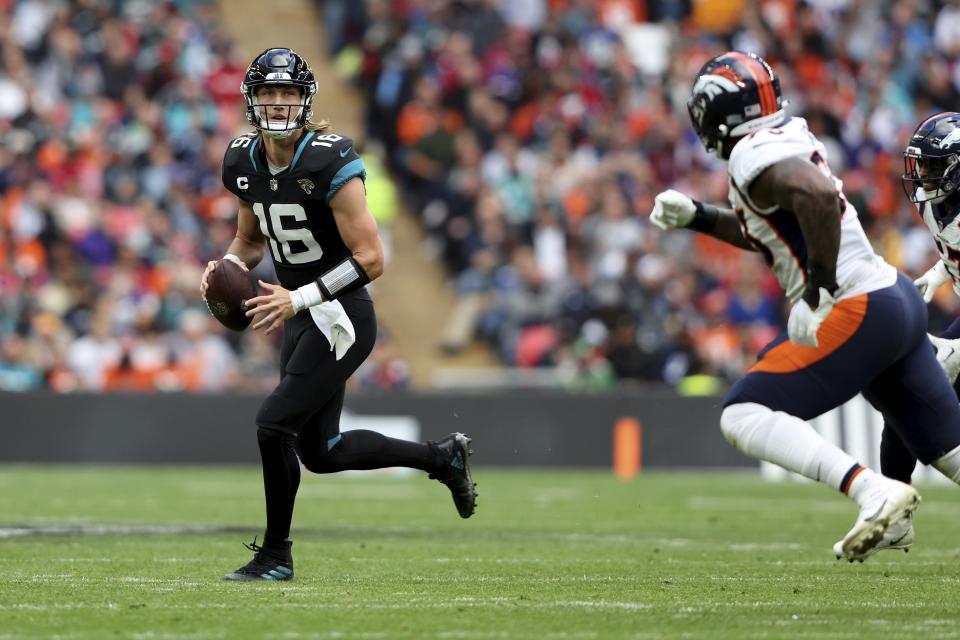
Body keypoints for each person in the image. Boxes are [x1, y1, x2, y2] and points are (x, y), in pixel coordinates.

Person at [651, 51, 960, 561]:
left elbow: (814, 195)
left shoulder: (751, 153)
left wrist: (815, 290)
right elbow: (773, 233)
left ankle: (873, 491)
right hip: (895, 298)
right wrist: (699, 217)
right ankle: (891, 507)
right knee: (951, 454)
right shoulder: (787, 135)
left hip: (860, 308)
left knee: (743, 413)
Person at [200, 48, 478, 581]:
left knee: (271, 423)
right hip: (302, 313)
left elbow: (373, 258)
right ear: (251, 100)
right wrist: (225, 267)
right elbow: (248, 239)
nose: (278, 104)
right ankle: (442, 459)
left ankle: (276, 555)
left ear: (304, 101)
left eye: (287, 94)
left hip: (341, 315)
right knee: (322, 452)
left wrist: (297, 298)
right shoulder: (241, 160)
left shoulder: (329, 157)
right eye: (268, 93)